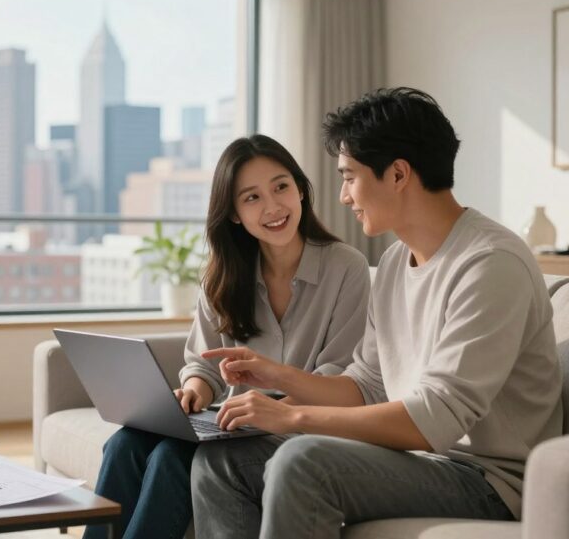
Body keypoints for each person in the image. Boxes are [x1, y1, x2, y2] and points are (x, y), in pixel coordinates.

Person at [191, 88, 563, 539]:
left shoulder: (489, 263)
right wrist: (277, 377)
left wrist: (291, 417)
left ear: (399, 174)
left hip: (489, 481)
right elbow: (367, 386)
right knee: (224, 458)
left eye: (349, 177)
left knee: (302, 459)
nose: (344, 196)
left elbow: (436, 419)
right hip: (422, 463)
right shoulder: (392, 263)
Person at [84, 134, 371, 539]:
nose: (273, 206)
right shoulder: (224, 275)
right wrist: (195, 390)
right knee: (124, 445)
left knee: (170, 457)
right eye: (251, 198)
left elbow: (341, 374)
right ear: (234, 213)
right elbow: (203, 363)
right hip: (232, 423)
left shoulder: (346, 268)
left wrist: (272, 410)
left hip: (301, 424)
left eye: (281, 187)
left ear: (301, 191)